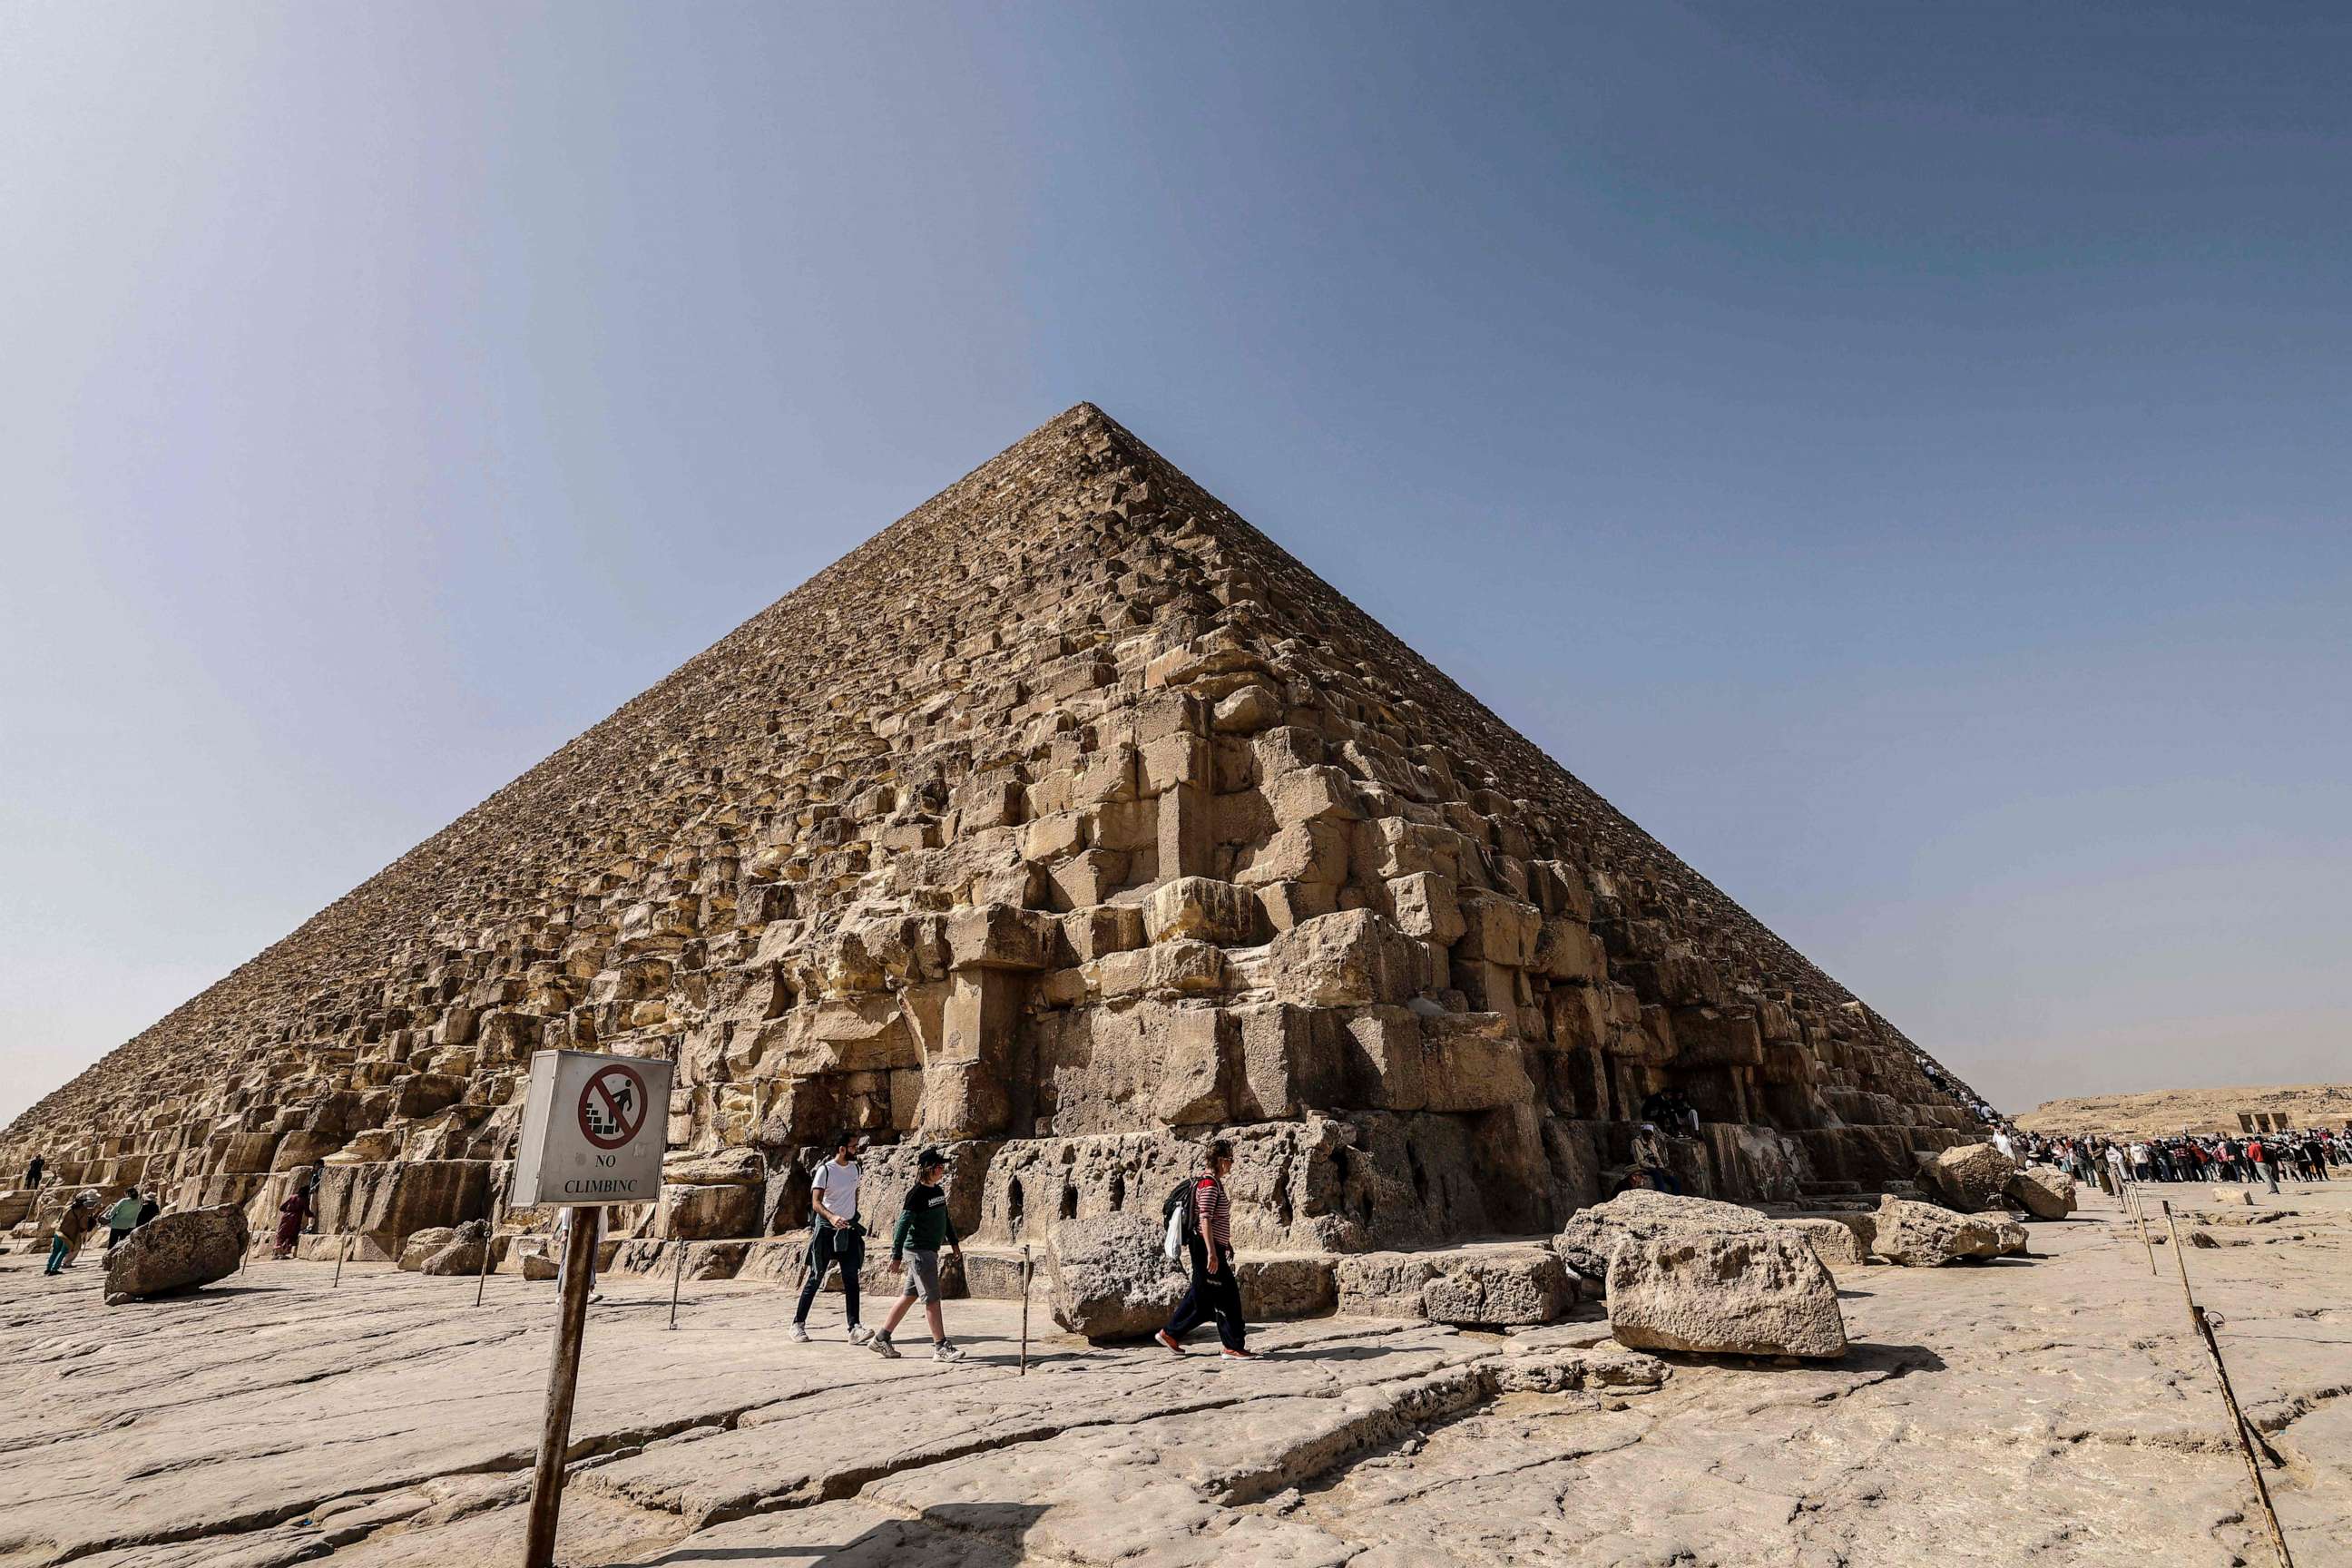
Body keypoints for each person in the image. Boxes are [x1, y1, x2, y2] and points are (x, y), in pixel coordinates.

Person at [870, 1146, 966, 1363]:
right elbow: (902, 1226)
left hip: (929, 1251)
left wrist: (954, 1244)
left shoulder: (938, 1192)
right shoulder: (916, 1195)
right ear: (927, 1169)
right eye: (938, 1166)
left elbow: (945, 1219)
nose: (942, 1170)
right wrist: (895, 1255)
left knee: (909, 1296)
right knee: (932, 1299)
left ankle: (881, 1338)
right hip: (919, 1252)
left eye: (943, 1166)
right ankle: (941, 1346)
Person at [1155, 1139, 1250, 1360]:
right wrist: (1212, 1252)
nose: (1232, 1165)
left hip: (1211, 1246)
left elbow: (1214, 1219)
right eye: (1229, 1160)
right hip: (1205, 1248)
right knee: (1227, 1295)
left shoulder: (1212, 1183)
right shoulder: (1208, 1185)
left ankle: (1170, 1333)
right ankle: (1233, 1346)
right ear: (1219, 1160)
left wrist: (1225, 1243)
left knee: (1204, 1299)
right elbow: (1205, 1219)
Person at [792, 1133, 872, 1346]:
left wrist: (850, 1216)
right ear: (842, 1149)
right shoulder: (825, 1170)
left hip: (848, 1230)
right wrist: (832, 1216)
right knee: (816, 1277)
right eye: (854, 1146)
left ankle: (854, 1327)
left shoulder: (856, 1169)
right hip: (827, 1230)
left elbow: (852, 1196)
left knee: (851, 1278)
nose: (857, 1149)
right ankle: (798, 1324)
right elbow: (816, 1203)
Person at [555, 1205, 606, 1304]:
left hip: (592, 1228)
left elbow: (602, 1213)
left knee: (590, 1259)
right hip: (574, 1227)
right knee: (567, 1260)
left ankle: (589, 1292)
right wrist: (565, 1232)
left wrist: (601, 1233)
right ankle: (561, 1293)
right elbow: (567, 1208)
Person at [44, 1194, 97, 1275]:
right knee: (63, 1252)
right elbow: (83, 1224)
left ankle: (48, 1268)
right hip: (69, 1234)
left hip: (58, 1231)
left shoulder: (67, 1207)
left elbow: (59, 1218)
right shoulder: (82, 1210)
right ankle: (54, 1269)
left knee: (55, 1251)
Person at [273, 1176, 318, 1260]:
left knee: (281, 1233)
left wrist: (288, 1211)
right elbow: (307, 1212)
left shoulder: (292, 1197)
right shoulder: (304, 1199)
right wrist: (313, 1215)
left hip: (286, 1216)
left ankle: (277, 1251)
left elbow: (282, 1207)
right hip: (295, 1218)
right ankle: (283, 1251)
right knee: (291, 1234)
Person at [103, 1189, 143, 1254]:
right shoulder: (139, 1201)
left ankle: (108, 1257)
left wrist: (108, 1216)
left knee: (112, 1243)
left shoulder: (123, 1201)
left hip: (117, 1224)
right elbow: (138, 1211)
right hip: (131, 1225)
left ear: (128, 1194)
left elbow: (113, 1211)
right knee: (123, 1244)